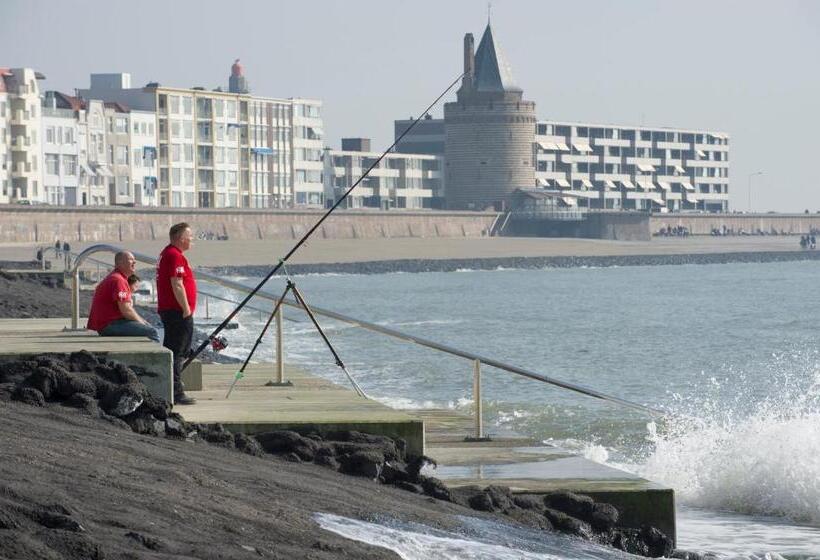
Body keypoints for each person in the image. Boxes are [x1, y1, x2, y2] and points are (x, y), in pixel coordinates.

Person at [157, 222, 197, 405]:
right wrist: (186, 309)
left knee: (178, 349)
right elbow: (177, 284)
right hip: (176, 311)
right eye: (189, 236)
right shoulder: (174, 255)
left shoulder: (169, 253)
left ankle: (173, 387)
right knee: (177, 351)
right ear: (181, 239)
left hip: (172, 310)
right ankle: (176, 392)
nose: (192, 240)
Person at [87, 252, 159, 342]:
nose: (134, 262)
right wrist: (143, 323)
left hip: (107, 324)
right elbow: (126, 310)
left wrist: (143, 322)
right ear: (120, 263)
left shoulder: (116, 277)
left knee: (146, 328)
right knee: (152, 332)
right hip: (109, 325)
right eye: (131, 259)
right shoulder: (118, 280)